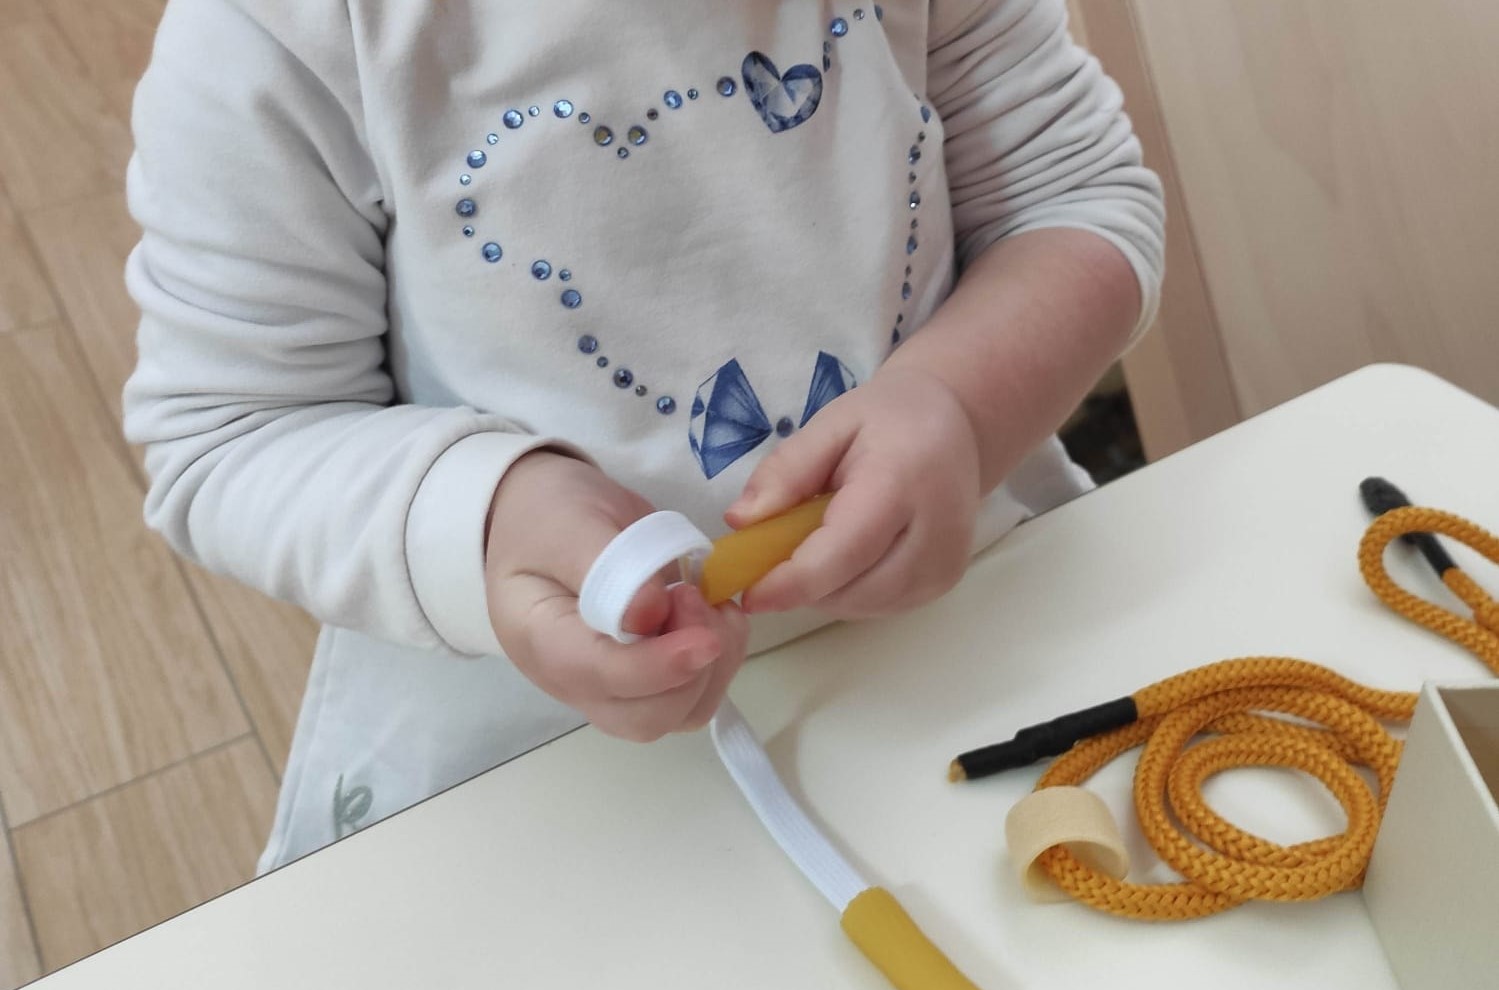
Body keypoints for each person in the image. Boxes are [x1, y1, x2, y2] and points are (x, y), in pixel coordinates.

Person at [124, 0, 1165, 871]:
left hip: (981, 631)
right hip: (537, 753)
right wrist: (490, 514)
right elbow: (230, 432)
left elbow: (1075, 197)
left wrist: (960, 403)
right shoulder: (274, 32)